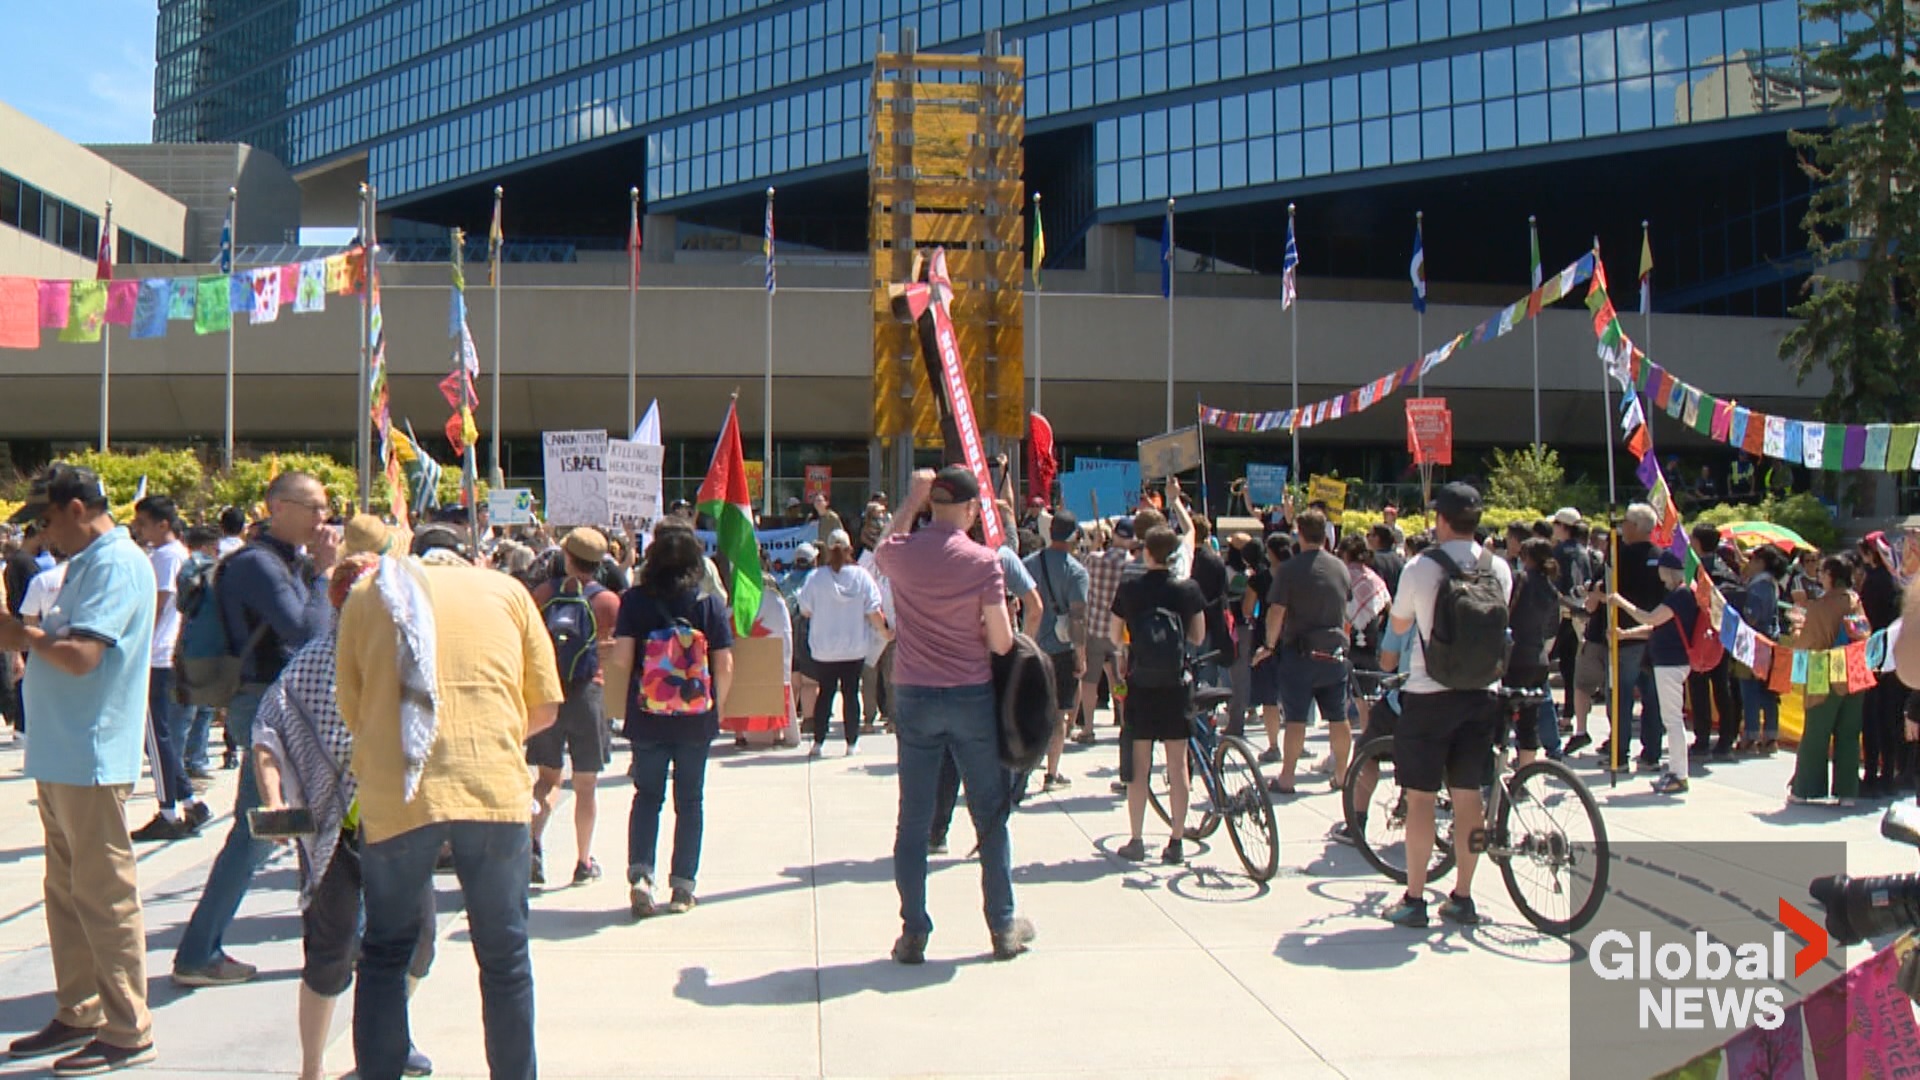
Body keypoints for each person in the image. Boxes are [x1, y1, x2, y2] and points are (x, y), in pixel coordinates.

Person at [336, 524, 563, 1080]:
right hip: (491, 787)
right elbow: (546, 706)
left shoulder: (369, 593)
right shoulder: (507, 592)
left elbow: (352, 705)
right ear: (469, 556)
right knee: (505, 955)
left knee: (386, 950)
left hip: (398, 791)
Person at [250, 546, 436, 1080]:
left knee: (418, 943)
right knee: (330, 953)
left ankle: (386, 1040)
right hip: (333, 830)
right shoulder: (311, 664)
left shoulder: (410, 658)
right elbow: (268, 732)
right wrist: (273, 799)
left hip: (399, 823)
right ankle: (312, 1066)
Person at [0, 467, 158, 1075]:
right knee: (68, 893)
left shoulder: (115, 565)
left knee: (102, 895)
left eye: (43, 522)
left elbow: (82, 656)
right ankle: (81, 1006)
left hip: (89, 756)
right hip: (66, 753)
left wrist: (22, 634)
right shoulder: (91, 563)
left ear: (73, 508)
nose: (42, 535)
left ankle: (127, 1025)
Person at [175, 471, 341, 987]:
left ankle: (207, 950)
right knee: (260, 831)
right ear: (279, 507)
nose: (323, 519)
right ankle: (198, 953)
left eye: (325, 509)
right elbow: (305, 630)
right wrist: (323, 573)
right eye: (314, 508)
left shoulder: (279, 560)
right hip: (266, 704)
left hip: (278, 702)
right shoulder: (258, 565)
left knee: (282, 827)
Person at [874, 466, 1031, 964]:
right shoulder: (984, 561)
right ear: (970, 511)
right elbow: (1003, 640)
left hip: (916, 694)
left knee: (913, 820)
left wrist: (912, 496)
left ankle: (914, 929)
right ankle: (1002, 924)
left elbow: (881, 545)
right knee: (989, 814)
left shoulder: (903, 553)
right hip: (970, 694)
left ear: (932, 505)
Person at [1377, 483, 1512, 929]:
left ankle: (1415, 898)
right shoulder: (1500, 569)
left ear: (1441, 520)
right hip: (1482, 693)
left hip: (1429, 693)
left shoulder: (1420, 567)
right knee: (1468, 795)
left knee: (1420, 799)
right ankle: (1462, 896)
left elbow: (1400, 622)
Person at [604, 522, 736, 918]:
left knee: (647, 796)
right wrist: (720, 707)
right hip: (696, 718)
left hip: (648, 716)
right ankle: (683, 886)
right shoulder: (708, 604)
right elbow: (725, 664)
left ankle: (642, 876)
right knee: (690, 801)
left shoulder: (635, 602)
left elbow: (623, 659)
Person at [527, 527, 622, 888]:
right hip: (588, 693)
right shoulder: (608, 602)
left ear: (567, 557)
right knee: (586, 785)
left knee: (547, 779)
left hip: (549, 691)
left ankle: (534, 843)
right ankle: (583, 861)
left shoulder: (543, 594)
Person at [1111, 526, 1207, 863]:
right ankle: (1176, 840)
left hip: (1141, 682)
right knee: (1178, 764)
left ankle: (1136, 838)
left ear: (1147, 553)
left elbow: (1115, 635)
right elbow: (1197, 635)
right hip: (1176, 684)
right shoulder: (1187, 589)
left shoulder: (1130, 588)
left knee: (1140, 765)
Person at [130, 495, 213, 842]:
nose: (140, 530)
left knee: (157, 737)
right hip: (171, 654)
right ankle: (191, 802)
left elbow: (159, 604)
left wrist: (135, 641)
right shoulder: (178, 555)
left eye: (144, 524)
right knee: (159, 736)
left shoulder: (166, 556)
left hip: (157, 655)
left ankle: (168, 811)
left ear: (162, 524)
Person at [1253, 509, 1352, 795]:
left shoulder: (1290, 570)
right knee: (1338, 716)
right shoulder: (1339, 567)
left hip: (1300, 654)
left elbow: (1276, 612)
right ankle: (1343, 774)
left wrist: (1269, 646)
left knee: (1295, 719)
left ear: (1299, 532)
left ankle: (1287, 777)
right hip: (1333, 653)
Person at [1568, 505, 1662, 770]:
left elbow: (1604, 587)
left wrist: (1595, 589)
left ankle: (1619, 753)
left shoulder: (1621, 557)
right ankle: (1651, 753)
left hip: (1623, 635)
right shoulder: (1661, 556)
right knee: (1650, 697)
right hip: (1652, 634)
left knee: (1620, 697)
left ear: (1633, 526)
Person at [1607, 549, 1704, 796]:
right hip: (1668, 661)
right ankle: (1676, 771)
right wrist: (1626, 634)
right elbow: (1656, 627)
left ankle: (1679, 774)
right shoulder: (1679, 594)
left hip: (1672, 663)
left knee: (1672, 720)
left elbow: (1650, 617)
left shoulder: (1680, 595)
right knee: (1670, 719)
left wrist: (1620, 601)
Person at [1786, 556, 1868, 806]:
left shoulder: (1821, 606)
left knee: (1816, 732)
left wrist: (1797, 626)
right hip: (1853, 668)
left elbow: (1806, 642)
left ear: (1831, 575)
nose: (1819, 575)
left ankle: (1805, 789)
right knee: (1849, 732)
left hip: (1824, 668)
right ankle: (1848, 792)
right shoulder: (1855, 600)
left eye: (1822, 572)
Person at [798, 529, 886, 756]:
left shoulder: (816, 578)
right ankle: (851, 743)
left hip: (824, 649)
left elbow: (805, 611)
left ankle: (818, 743)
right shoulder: (862, 577)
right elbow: (874, 611)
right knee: (850, 694)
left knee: (825, 693)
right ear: (850, 549)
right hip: (854, 647)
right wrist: (885, 632)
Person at [1024, 510, 1089, 791]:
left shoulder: (1028, 564)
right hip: (1062, 650)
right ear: (1075, 535)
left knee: (1033, 709)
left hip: (1032, 644)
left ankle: (1024, 769)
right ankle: (1052, 772)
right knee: (1060, 714)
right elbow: (1078, 617)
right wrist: (1082, 655)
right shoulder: (1076, 571)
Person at [1507, 538, 1565, 764]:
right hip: (1538, 657)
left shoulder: (1519, 580)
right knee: (1529, 722)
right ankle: (1524, 770)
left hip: (1514, 655)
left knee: (1501, 716)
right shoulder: (1550, 588)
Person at [1685, 523, 1740, 760]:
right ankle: (1727, 738)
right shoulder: (1727, 569)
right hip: (1724, 634)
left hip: (1700, 633)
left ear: (1697, 543)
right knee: (1722, 686)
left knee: (1699, 686)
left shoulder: (1699, 571)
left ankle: (1702, 738)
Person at [1858, 533, 1906, 796]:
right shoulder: (1897, 581)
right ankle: (1890, 773)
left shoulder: (1873, 582)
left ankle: (1873, 774)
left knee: (1873, 717)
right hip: (1895, 655)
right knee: (1891, 716)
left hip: (1874, 653)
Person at [1080, 520, 1133, 744]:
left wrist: (1095, 545)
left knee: (1090, 680)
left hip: (1094, 628)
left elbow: (1080, 569)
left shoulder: (1095, 559)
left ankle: (1089, 727)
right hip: (1120, 633)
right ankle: (1123, 722)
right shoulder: (1132, 565)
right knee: (1119, 678)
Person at [1245, 532, 1293, 763]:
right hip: (1294, 637)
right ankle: (1297, 743)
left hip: (1266, 638)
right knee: (1294, 695)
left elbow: (1247, 609)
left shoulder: (1260, 579)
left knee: (1269, 697)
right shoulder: (1299, 575)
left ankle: (1274, 745)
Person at [1736, 545, 1786, 754]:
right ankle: (1771, 736)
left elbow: (1752, 615)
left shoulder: (1758, 587)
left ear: (1761, 563)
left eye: (1753, 560)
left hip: (1754, 641)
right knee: (1768, 691)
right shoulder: (1772, 585)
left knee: (1750, 689)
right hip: (1771, 640)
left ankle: (1751, 735)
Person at [1548, 510, 1592, 741]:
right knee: (1570, 667)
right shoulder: (1585, 552)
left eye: (1556, 523)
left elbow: (1554, 585)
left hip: (1562, 613)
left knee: (1544, 661)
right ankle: (1568, 713)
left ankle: (1548, 714)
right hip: (1581, 613)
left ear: (1564, 526)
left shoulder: (1558, 553)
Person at [1366, 524, 1405, 595]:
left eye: (1369, 535)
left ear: (1377, 538)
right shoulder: (1399, 560)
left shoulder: (1372, 560)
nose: (1367, 539)